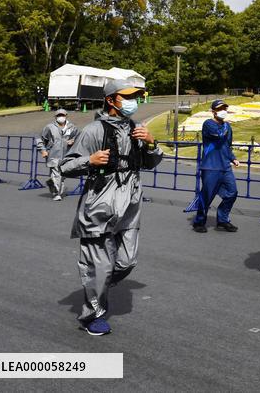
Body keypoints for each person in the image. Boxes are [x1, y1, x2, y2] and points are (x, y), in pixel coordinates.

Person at [59, 79, 162, 336]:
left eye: (135, 97)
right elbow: (65, 167)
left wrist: (151, 143)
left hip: (130, 205)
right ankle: (93, 315)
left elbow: (149, 163)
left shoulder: (137, 129)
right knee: (100, 266)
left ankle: (99, 283)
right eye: (127, 97)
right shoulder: (94, 130)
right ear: (110, 100)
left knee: (127, 261)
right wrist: (90, 160)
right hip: (100, 205)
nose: (133, 102)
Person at [191, 99, 240, 233]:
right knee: (207, 195)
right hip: (211, 166)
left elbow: (227, 145)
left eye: (224, 108)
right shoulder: (208, 124)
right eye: (219, 109)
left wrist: (233, 158)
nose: (223, 111)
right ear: (213, 112)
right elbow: (219, 134)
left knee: (232, 192)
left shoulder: (227, 126)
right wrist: (226, 126)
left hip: (225, 166)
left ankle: (223, 220)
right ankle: (199, 222)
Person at [36, 109, 79, 201]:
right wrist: (43, 150)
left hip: (67, 155)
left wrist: (73, 141)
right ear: (55, 117)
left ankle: (52, 183)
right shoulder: (49, 127)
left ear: (66, 116)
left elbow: (78, 138)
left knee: (62, 175)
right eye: (59, 115)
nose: (61, 117)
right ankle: (57, 194)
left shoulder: (72, 127)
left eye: (62, 115)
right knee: (57, 174)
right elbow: (40, 139)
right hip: (53, 155)